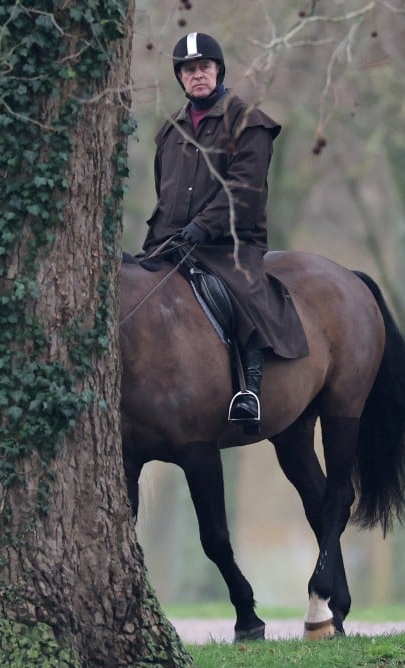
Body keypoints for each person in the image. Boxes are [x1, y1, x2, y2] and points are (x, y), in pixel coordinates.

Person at [141, 31, 308, 432]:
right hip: (171, 243)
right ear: (179, 77)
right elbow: (164, 189)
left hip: (229, 245)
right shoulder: (170, 130)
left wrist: (204, 225)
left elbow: (245, 190)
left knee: (241, 294)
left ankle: (247, 389)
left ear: (218, 70)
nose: (197, 75)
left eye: (203, 67)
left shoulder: (250, 124)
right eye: (188, 69)